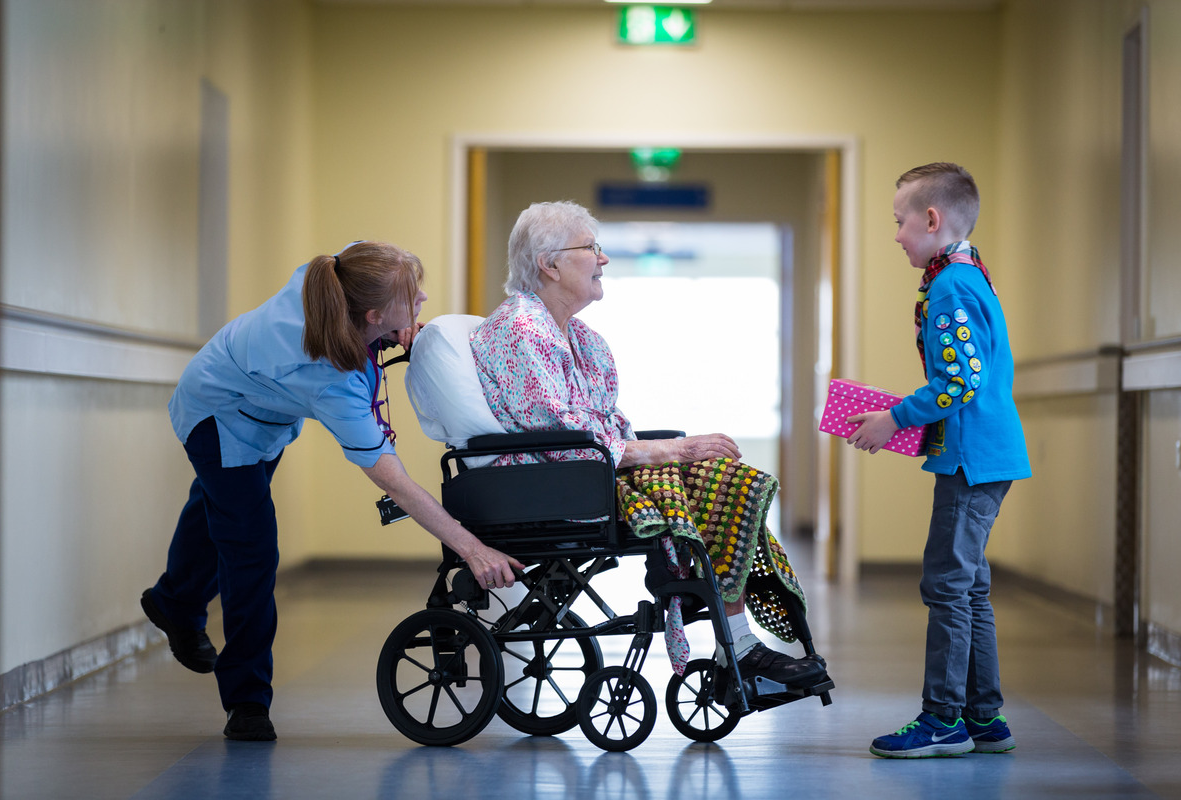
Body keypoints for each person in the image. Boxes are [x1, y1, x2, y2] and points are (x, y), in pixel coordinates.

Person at [142, 241, 524, 741]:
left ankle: (173, 602)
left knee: (220, 510)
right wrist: (470, 548)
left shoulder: (335, 276)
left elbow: (365, 305)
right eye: (413, 297)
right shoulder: (329, 380)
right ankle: (247, 702)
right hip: (215, 413)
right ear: (371, 313)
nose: (425, 299)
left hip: (261, 407)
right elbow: (397, 484)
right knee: (251, 549)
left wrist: (389, 329)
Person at [470, 201, 826, 686]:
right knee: (707, 476)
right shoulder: (519, 332)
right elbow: (560, 438)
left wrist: (667, 455)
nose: (604, 259)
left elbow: (608, 426)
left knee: (730, 482)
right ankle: (738, 645)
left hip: (587, 474)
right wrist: (671, 453)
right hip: (559, 483)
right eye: (591, 248)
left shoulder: (583, 338)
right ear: (549, 265)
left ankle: (739, 641)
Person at [846, 163, 1031, 758]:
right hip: (984, 452)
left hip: (970, 459)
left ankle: (943, 719)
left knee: (946, 584)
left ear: (932, 219)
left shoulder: (951, 283)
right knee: (969, 586)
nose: (896, 234)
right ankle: (984, 718)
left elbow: (960, 381)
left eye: (899, 221)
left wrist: (892, 418)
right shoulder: (970, 274)